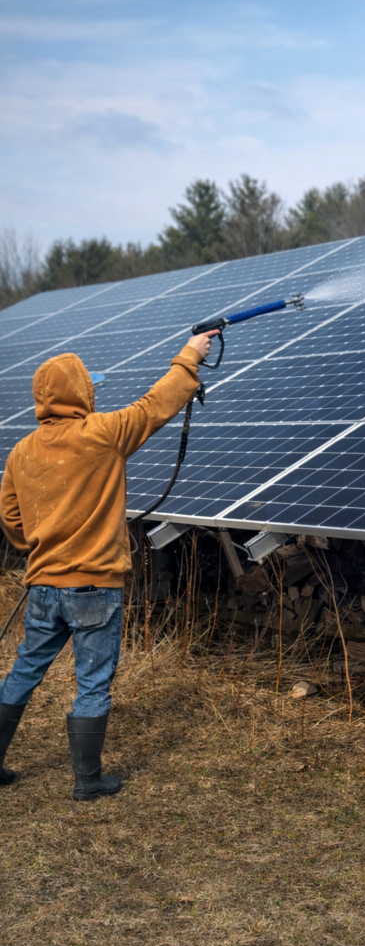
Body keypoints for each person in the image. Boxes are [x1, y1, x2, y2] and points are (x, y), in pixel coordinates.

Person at [0, 329, 217, 800]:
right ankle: (88, 780)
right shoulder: (102, 434)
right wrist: (190, 356)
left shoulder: (22, 452)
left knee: (23, 670)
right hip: (94, 587)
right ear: (80, 392)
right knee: (93, 679)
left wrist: (38, 544)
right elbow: (156, 405)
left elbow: (12, 521)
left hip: (42, 586)